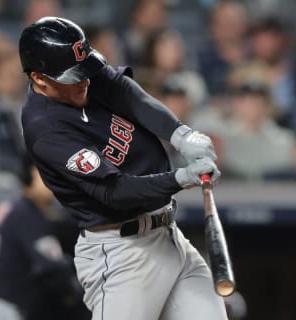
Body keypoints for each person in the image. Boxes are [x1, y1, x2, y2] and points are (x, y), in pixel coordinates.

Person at [19, 17, 226, 320]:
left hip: (168, 235)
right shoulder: (46, 129)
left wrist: (180, 134)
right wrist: (180, 178)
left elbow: (124, 90)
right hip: (121, 253)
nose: (86, 80)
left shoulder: (81, 75)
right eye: (73, 78)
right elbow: (114, 192)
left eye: (85, 70)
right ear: (39, 78)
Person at [0, 159, 87, 320]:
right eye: (42, 174)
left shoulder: (10, 209)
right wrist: (75, 293)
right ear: (27, 180)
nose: (51, 179)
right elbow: (52, 267)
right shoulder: (29, 213)